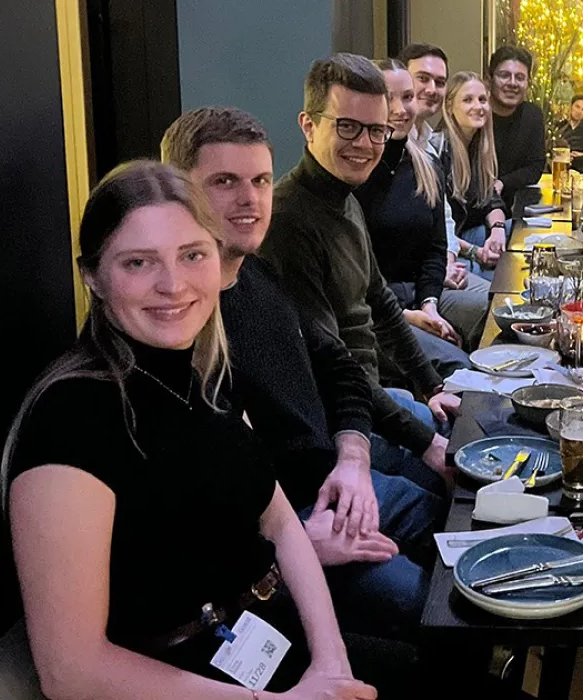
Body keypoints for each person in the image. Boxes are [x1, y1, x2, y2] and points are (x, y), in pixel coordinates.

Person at [2, 161, 378, 699]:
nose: (173, 285)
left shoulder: (205, 372)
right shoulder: (69, 421)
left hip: (260, 640)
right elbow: (73, 672)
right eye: (138, 262)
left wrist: (331, 665)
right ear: (93, 276)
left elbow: (279, 523)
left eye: (192, 255)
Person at [162, 107, 446, 639]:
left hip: (338, 485)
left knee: (463, 521)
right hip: (289, 533)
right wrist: (286, 547)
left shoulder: (258, 274)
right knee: (428, 606)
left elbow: (337, 365)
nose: (250, 200)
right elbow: (191, 509)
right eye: (224, 182)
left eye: (261, 180)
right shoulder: (176, 327)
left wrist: (354, 461)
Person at [260, 53, 461, 485]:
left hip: (373, 401)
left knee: (475, 425)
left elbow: (382, 305)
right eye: (347, 127)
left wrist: (432, 386)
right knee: (456, 483)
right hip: (339, 424)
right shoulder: (287, 221)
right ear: (309, 125)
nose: (365, 144)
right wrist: (425, 441)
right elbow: (332, 364)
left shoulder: (345, 196)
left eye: (376, 130)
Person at [356, 60, 487, 351]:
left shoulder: (426, 165)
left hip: (425, 293)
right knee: (457, 358)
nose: (401, 109)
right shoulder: (357, 172)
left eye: (407, 97)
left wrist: (429, 305)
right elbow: (354, 278)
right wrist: (409, 315)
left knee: (499, 310)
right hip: (377, 310)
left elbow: (435, 248)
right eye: (389, 98)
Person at [399, 42, 492, 318]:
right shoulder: (389, 148)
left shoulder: (427, 144)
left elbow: (445, 221)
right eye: (423, 79)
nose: (431, 89)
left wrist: (447, 261)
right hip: (406, 290)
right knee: (496, 308)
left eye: (439, 82)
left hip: (435, 272)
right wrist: (465, 256)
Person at [442, 71, 509, 276]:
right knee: (503, 278)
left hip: (472, 237)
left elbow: (491, 198)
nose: (478, 106)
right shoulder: (441, 150)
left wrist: (497, 230)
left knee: (516, 231)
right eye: (468, 100)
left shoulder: (478, 148)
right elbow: (438, 230)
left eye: (482, 100)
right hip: (449, 249)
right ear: (449, 106)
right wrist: (476, 252)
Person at [487, 45, 546, 215]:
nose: (512, 83)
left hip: (513, 211)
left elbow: (535, 167)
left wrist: (503, 182)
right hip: (475, 216)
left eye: (520, 77)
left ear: (528, 83)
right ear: (490, 78)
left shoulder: (532, 115)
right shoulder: (477, 113)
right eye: (504, 75)